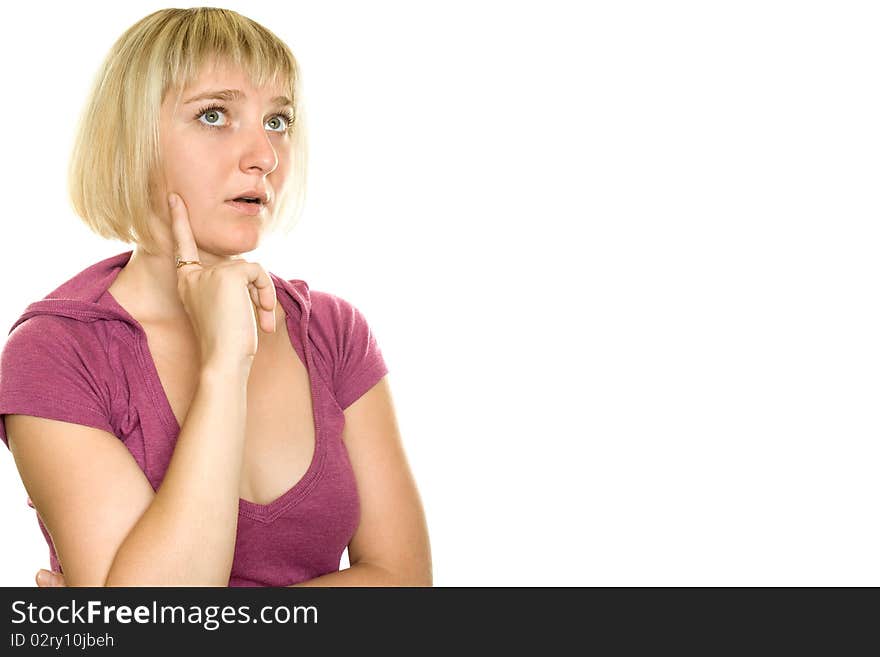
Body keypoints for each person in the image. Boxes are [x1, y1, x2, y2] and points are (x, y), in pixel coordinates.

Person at [0, 7, 431, 587]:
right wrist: (225, 365)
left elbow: (406, 586)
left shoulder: (333, 332)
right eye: (214, 114)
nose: (265, 155)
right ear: (132, 140)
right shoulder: (57, 353)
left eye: (278, 120)